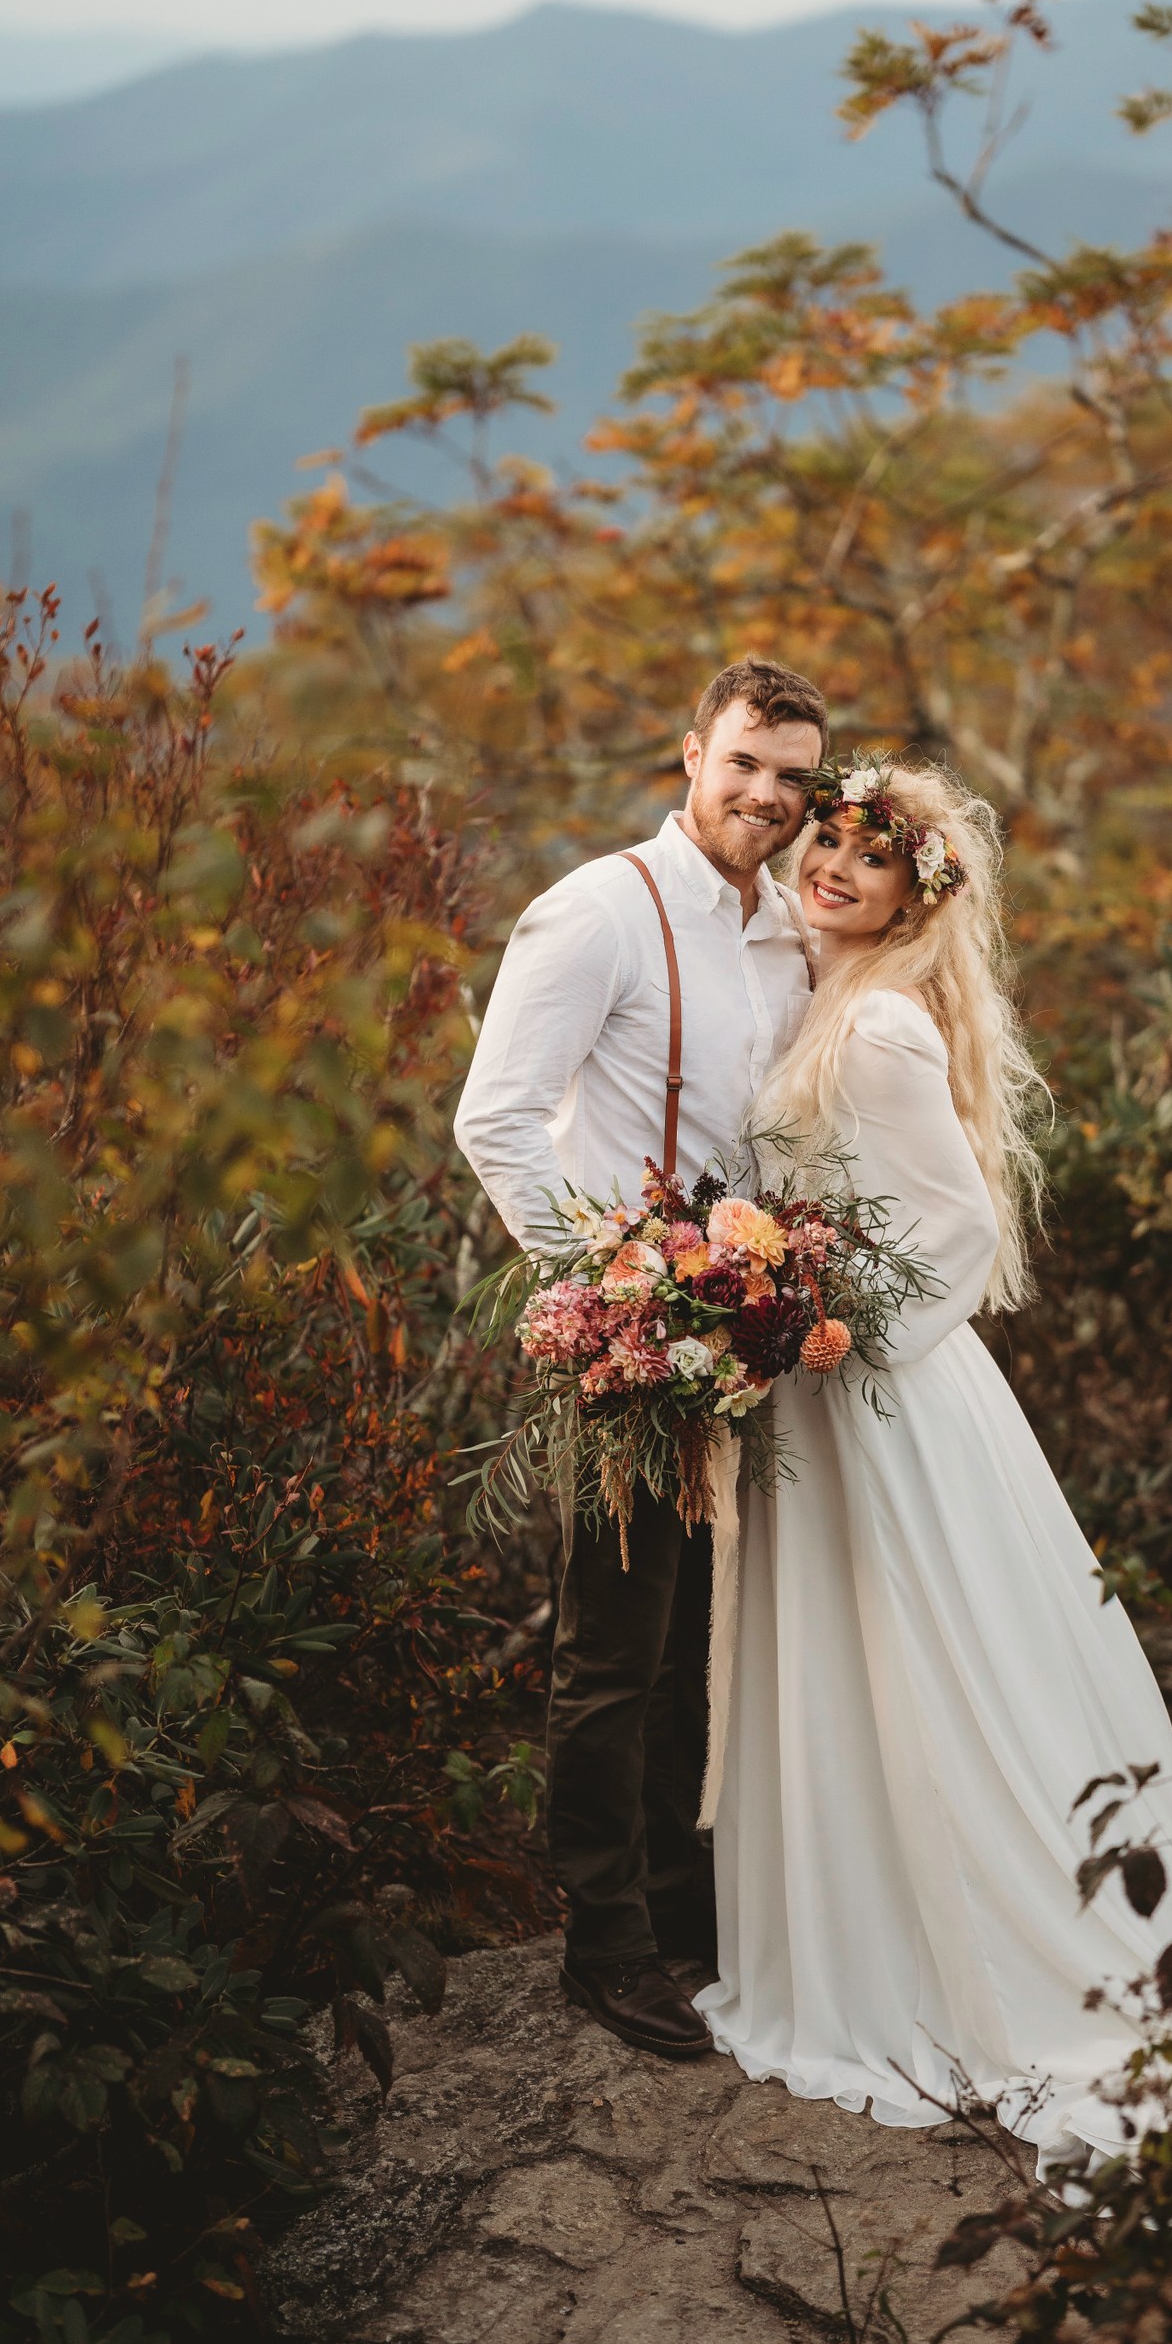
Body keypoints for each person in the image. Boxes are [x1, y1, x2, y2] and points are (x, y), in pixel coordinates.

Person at [695, 759, 1172, 2220]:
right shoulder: (817, 989)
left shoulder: (873, 1025)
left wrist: (829, 1328)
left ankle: (976, 1966)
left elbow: (958, 1226)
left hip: (883, 1397)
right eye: (830, 841)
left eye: (872, 861)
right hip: (820, 1384)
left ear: (911, 900)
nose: (835, 868)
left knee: (931, 1665)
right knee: (850, 1666)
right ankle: (857, 1932)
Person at [454, 655, 827, 2058]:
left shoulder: (786, 929)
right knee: (616, 1648)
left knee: (699, 1647)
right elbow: (496, 1118)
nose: (767, 797)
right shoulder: (600, 910)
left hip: (739, 1334)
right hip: (624, 1335)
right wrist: (613, 1289)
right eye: (746, 764)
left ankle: (686, 1911)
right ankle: (604, 1945)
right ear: (691, 755)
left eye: (792, 777)